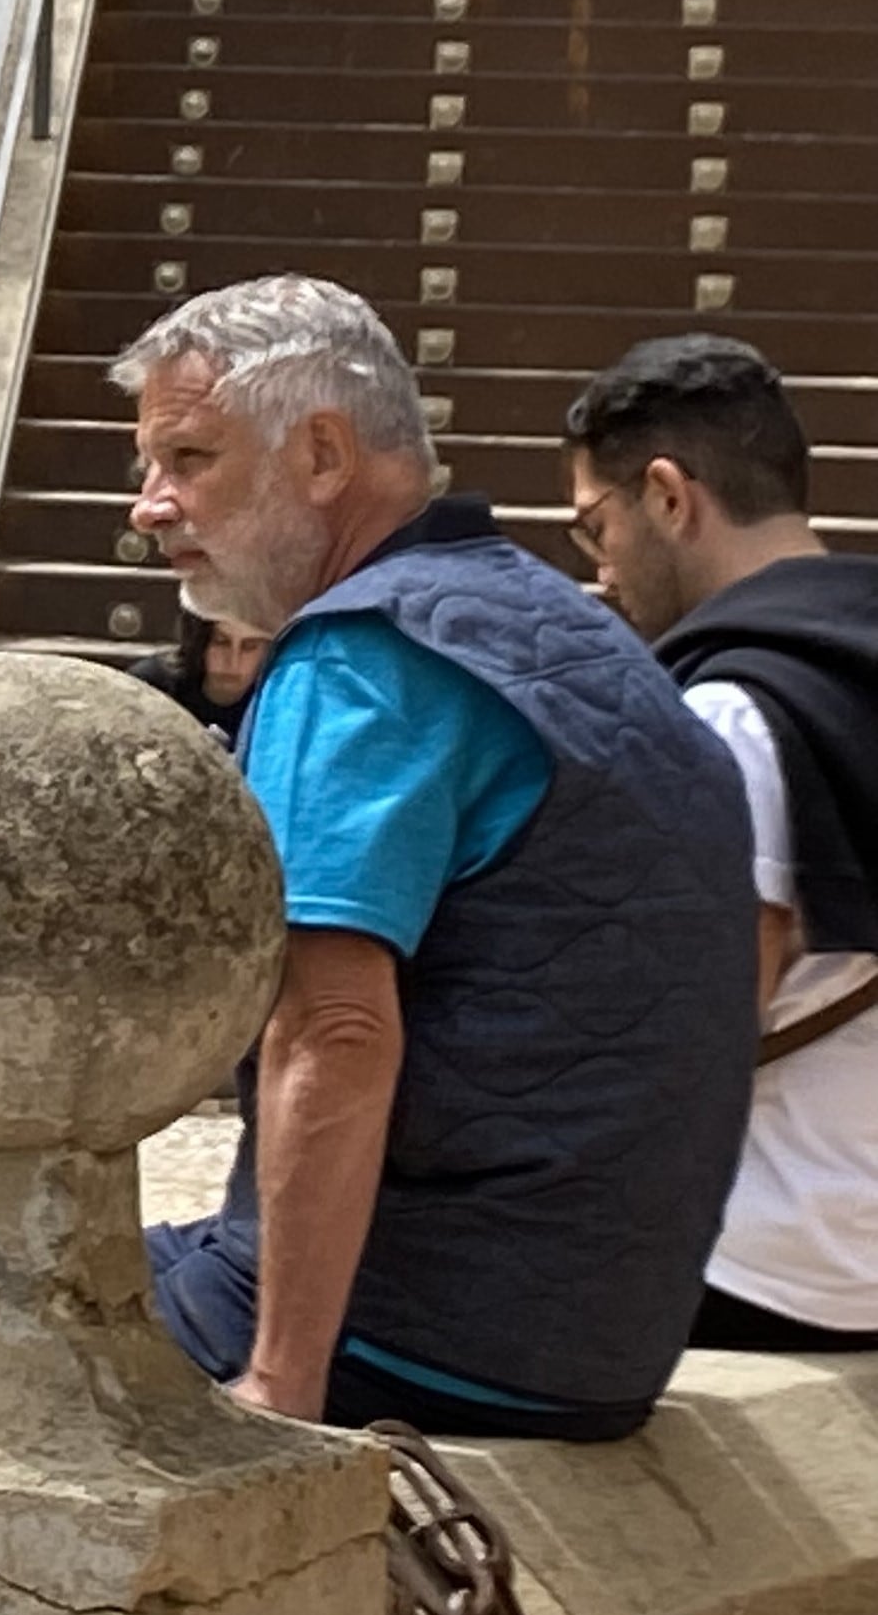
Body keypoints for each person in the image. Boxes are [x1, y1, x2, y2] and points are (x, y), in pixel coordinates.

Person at [117, 276, 756, 1439]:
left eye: (189, 458)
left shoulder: (360, 656)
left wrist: (280, 1389)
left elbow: (336, 1033)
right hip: (597, 1337)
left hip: (419, 1334)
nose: (151, 508)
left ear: (322, 455)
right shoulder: (562, 626)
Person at [564, 336, 878, 1356]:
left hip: (769, 1262)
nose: (599, 572)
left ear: (667, 496)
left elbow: (692, 1046)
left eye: (594, 526)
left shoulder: (733, 711)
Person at [127, 609, 273, 742]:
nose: (233, 662)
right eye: (221, 642)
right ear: (198, 641)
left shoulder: (278, 702)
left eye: (249, 647)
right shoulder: (149, 689)